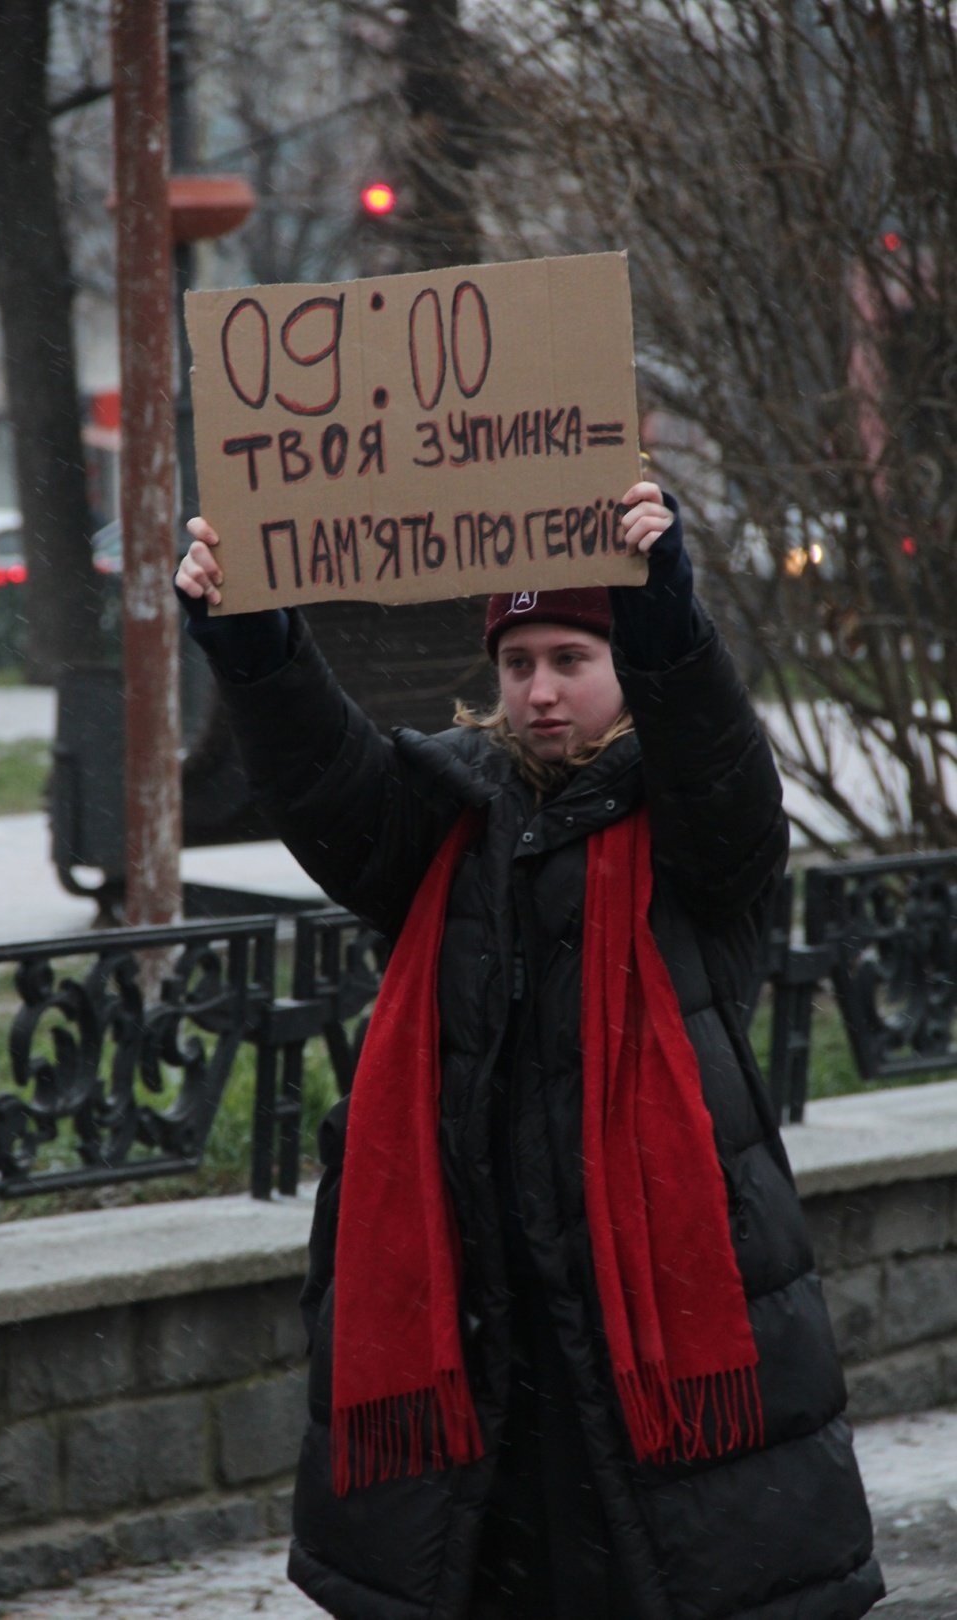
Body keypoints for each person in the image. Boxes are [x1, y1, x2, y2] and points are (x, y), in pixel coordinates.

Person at [175, 482, 883, 1620]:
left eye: (572, 657)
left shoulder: (701, 830)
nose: (542, 691)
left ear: (624, 669)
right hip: (484, 1333)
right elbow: (325, 780)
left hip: (650, 1342)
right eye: (517, 664)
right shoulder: (450, 817)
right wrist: (256, 645)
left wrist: (663, 617)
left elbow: (715, 759)